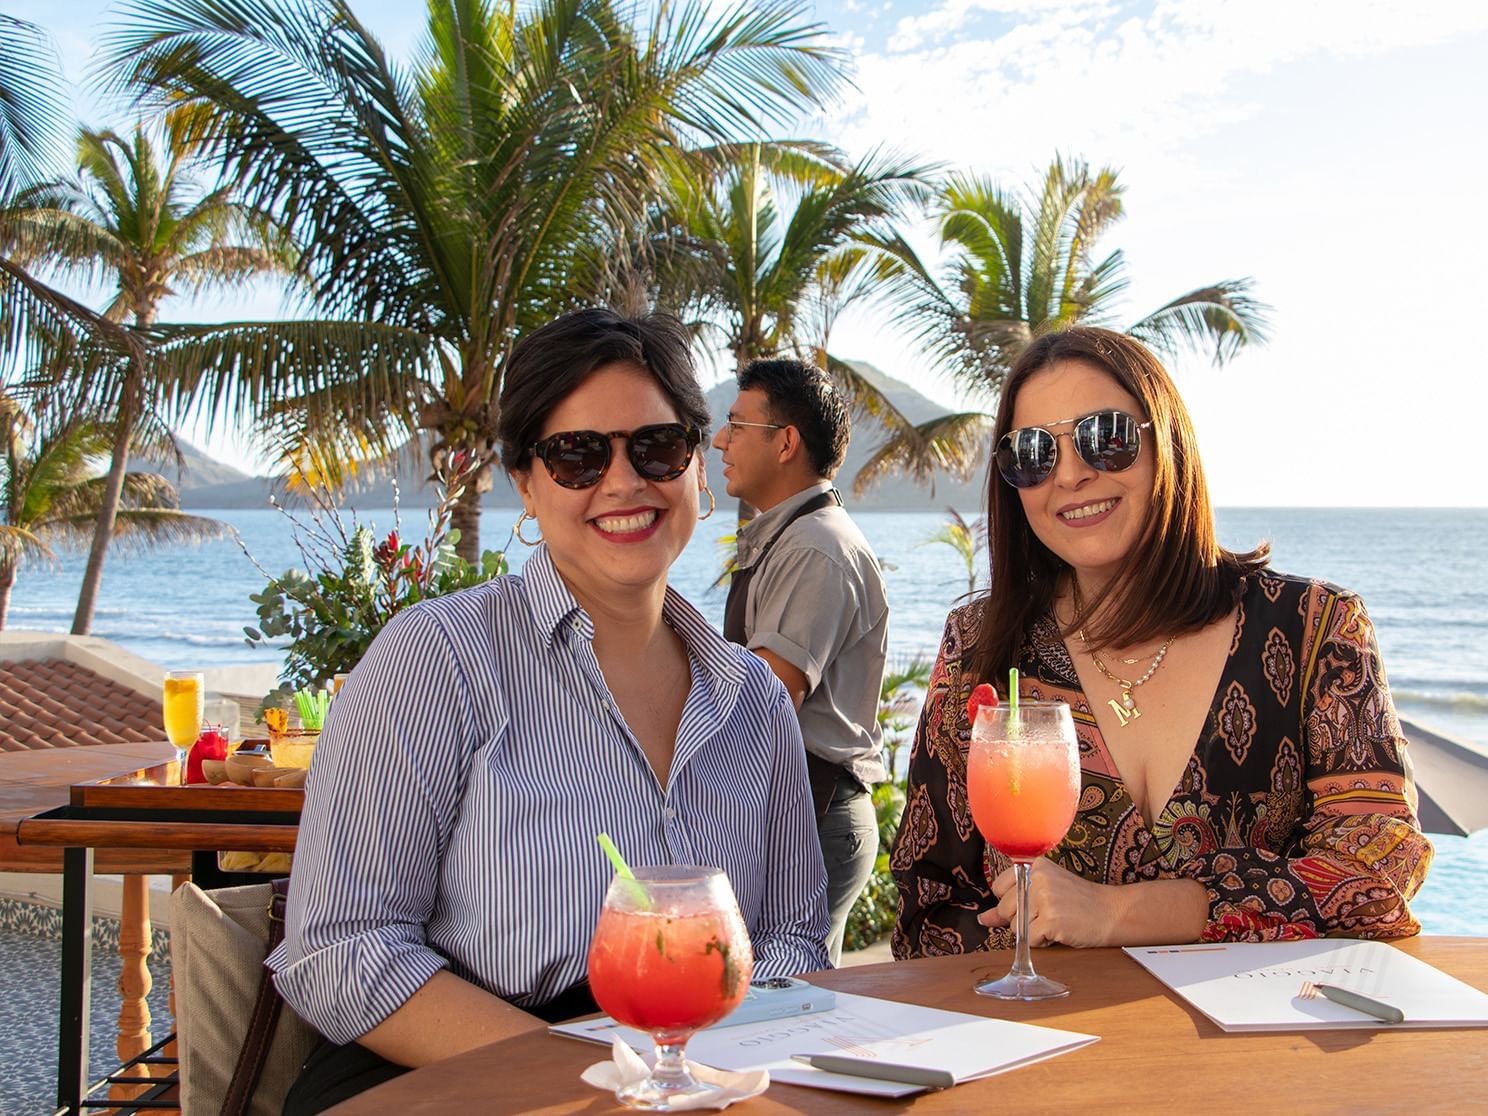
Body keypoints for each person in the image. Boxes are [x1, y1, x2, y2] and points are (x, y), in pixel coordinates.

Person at [270, 309, 829, 1112]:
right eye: (577, 455)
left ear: (698, 472)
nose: (625, 481)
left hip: (689, 1080)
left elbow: (790, 940)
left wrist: (696, 1072)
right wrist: (588, 1069)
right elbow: (339, 950)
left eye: (657, 447)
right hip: (455, 1074)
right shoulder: (441, 659)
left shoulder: (752, 702)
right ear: (527, 485)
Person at [892, 326, 1433, 957]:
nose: (1069, 474)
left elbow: (1379, 867)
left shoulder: (1316, 628)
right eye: (1033, 453)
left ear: (1166, 443)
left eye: (1106, 438)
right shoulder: (981, 647)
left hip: (1268, 1042)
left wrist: (1128, 913)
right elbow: (929, 907)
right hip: (1049, 1042)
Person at [712, 357, 888, 964]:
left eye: (736, 425)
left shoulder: (815, 548)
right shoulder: (797, 537)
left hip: (811, 812)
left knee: (781, 1005)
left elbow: (764, 700)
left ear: (786, 442)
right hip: (804, 807)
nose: (719, 441)